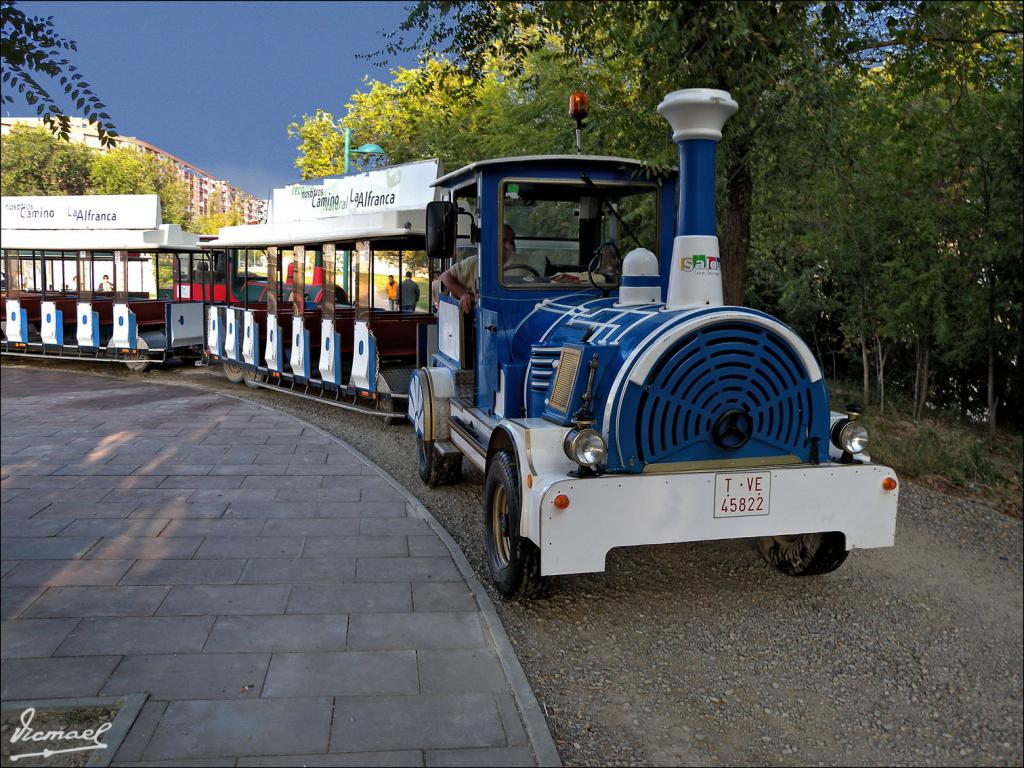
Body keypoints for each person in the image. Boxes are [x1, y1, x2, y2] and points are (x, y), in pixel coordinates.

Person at [440, 223, 516, 314]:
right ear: (492, 242)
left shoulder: (522, 262)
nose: (508, 246)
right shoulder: (476, 262)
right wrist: (463, 294)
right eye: (503, 240)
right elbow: (445, 276)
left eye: (511, 241)